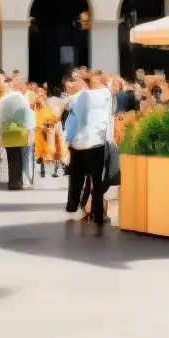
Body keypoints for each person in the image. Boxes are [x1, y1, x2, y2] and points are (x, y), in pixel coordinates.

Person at [64, 72, 111, 226]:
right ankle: (96, 213)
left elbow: (76, 119)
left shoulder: (81, 97)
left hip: (81, 141)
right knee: (96, 180)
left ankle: (74, 207)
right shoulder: (106, 94)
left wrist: (70, 139)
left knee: (77, 178)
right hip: (98, 141)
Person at [0, 76, 34, 191]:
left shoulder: (3, 100)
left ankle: (12, 181)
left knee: (11, 158)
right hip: (20, 131)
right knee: (20, 158)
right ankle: (17, 182)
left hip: (6, 132)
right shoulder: (22, 98)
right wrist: (30, 130)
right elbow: (27, 115)